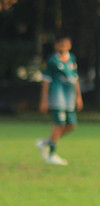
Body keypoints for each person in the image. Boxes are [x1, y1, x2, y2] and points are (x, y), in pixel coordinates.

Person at [36, 35, 82, 166]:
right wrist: (44, 100)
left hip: (69, 96)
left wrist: (79, 96)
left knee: (72, 125)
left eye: (66, 44)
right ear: (56, 46)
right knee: (59, 124)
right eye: (61, 45)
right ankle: (51, 155)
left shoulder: (71, 58)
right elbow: (46, 81)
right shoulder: (52, 61)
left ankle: (46, 142)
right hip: (58, 96)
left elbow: (75, 78)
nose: (64, 47)